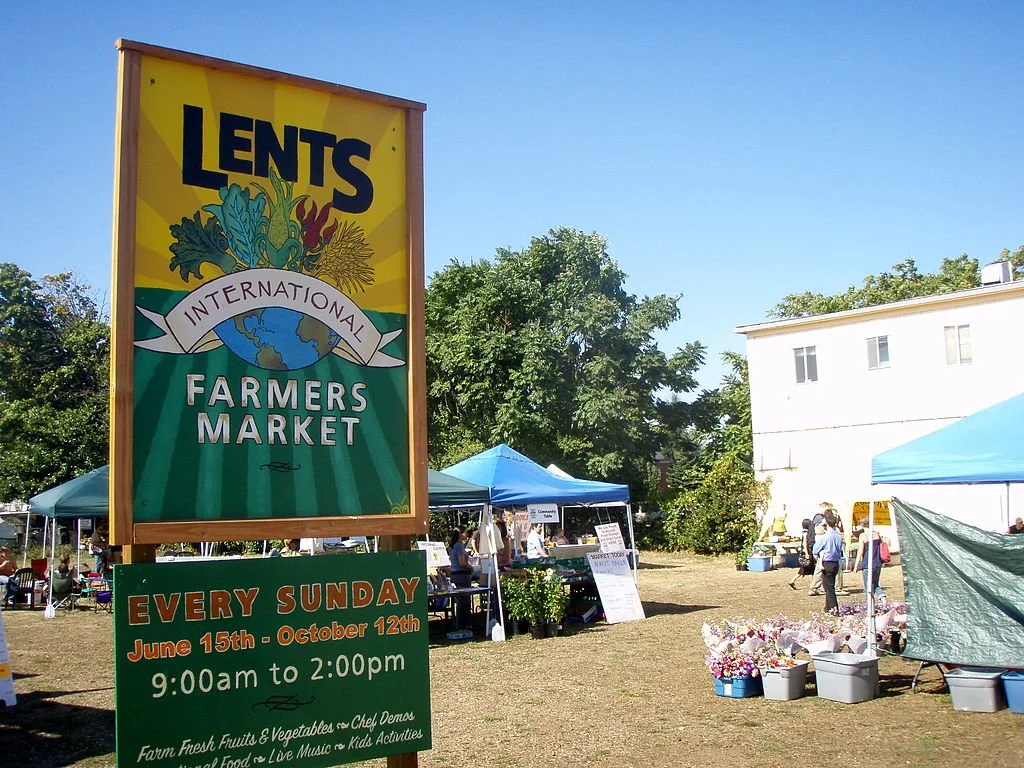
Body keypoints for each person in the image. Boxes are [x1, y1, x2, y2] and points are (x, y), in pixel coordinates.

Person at [812, 510, 844, 614]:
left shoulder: (825, 537)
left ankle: (834, 609)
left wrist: (818, 558)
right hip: (835, 562)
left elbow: (815, 550)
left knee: (829, 588)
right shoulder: (838, 537)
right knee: (829, 585)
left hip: (827, 563)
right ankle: (827, 607)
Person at [447, 528, 472, 629]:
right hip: (462, 575)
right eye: (465, 532)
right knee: (464, 600)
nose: (467, 534)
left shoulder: (452, 546)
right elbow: (462, 562)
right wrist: (471, 567)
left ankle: (460, 623)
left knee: (459, 601)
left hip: (455, 574)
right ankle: (464, 624)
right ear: (460, 534)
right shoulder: (459, 545)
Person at [853, 527, 886, 599]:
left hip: (867, 564)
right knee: (875, 584)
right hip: (877, 563)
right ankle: (882, 597)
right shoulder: (876, 534)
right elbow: (883, 544)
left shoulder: (863, 535)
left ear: (862, 525)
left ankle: (870, 605)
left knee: (868, 586)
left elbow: (860, 551)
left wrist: (856, 565)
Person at [788, 519, 815, 590]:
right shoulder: (806, 533)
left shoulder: (804, 532)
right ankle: (814, 585)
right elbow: (804, 544)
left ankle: (814, 584)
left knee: (808, 569)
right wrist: (806, 553)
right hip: (807, 552)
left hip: (805, 552)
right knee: (808, 569)